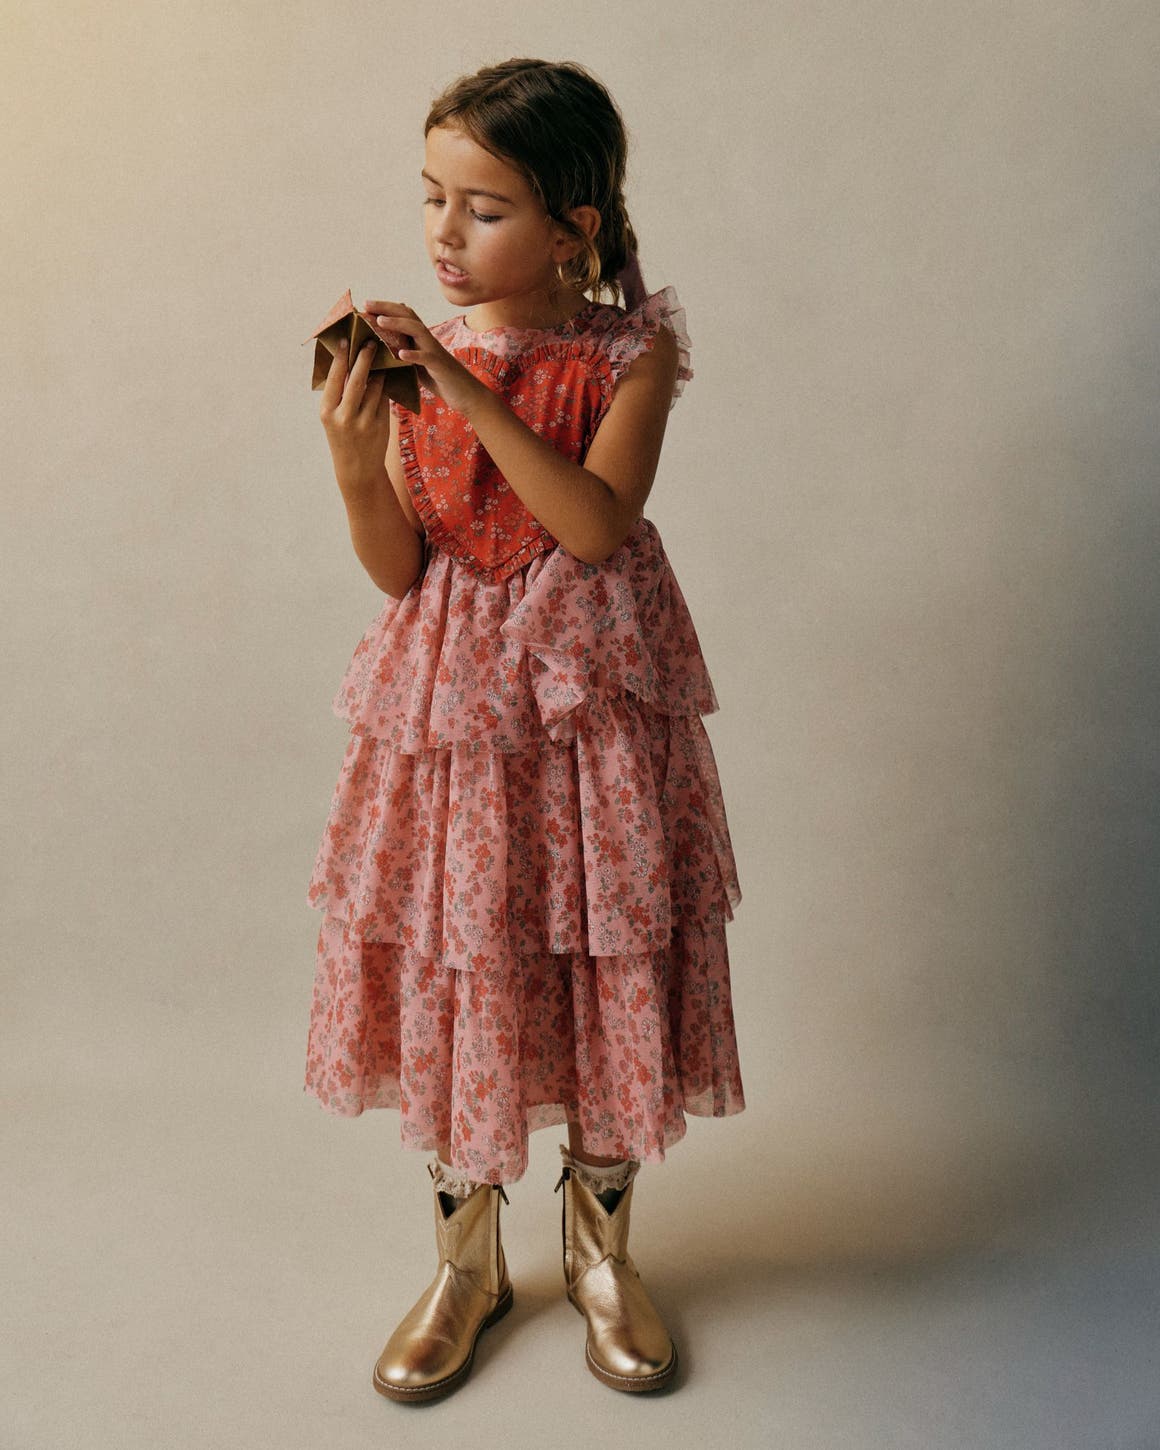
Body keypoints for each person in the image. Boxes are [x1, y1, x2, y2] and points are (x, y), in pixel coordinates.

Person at [303, 57, 745, 1401]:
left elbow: (592, 524)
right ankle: (468, 1262)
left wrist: (463, 383)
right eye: (431, 198)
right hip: (458, 710)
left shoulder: (631, 354)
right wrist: (350, 445)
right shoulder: (409, 361)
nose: (442, 233)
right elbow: (401, 567)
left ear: (576, 225)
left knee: (602, 947)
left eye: (482, 208)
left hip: (591, 705)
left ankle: (601, 1250)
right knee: (472, 958)